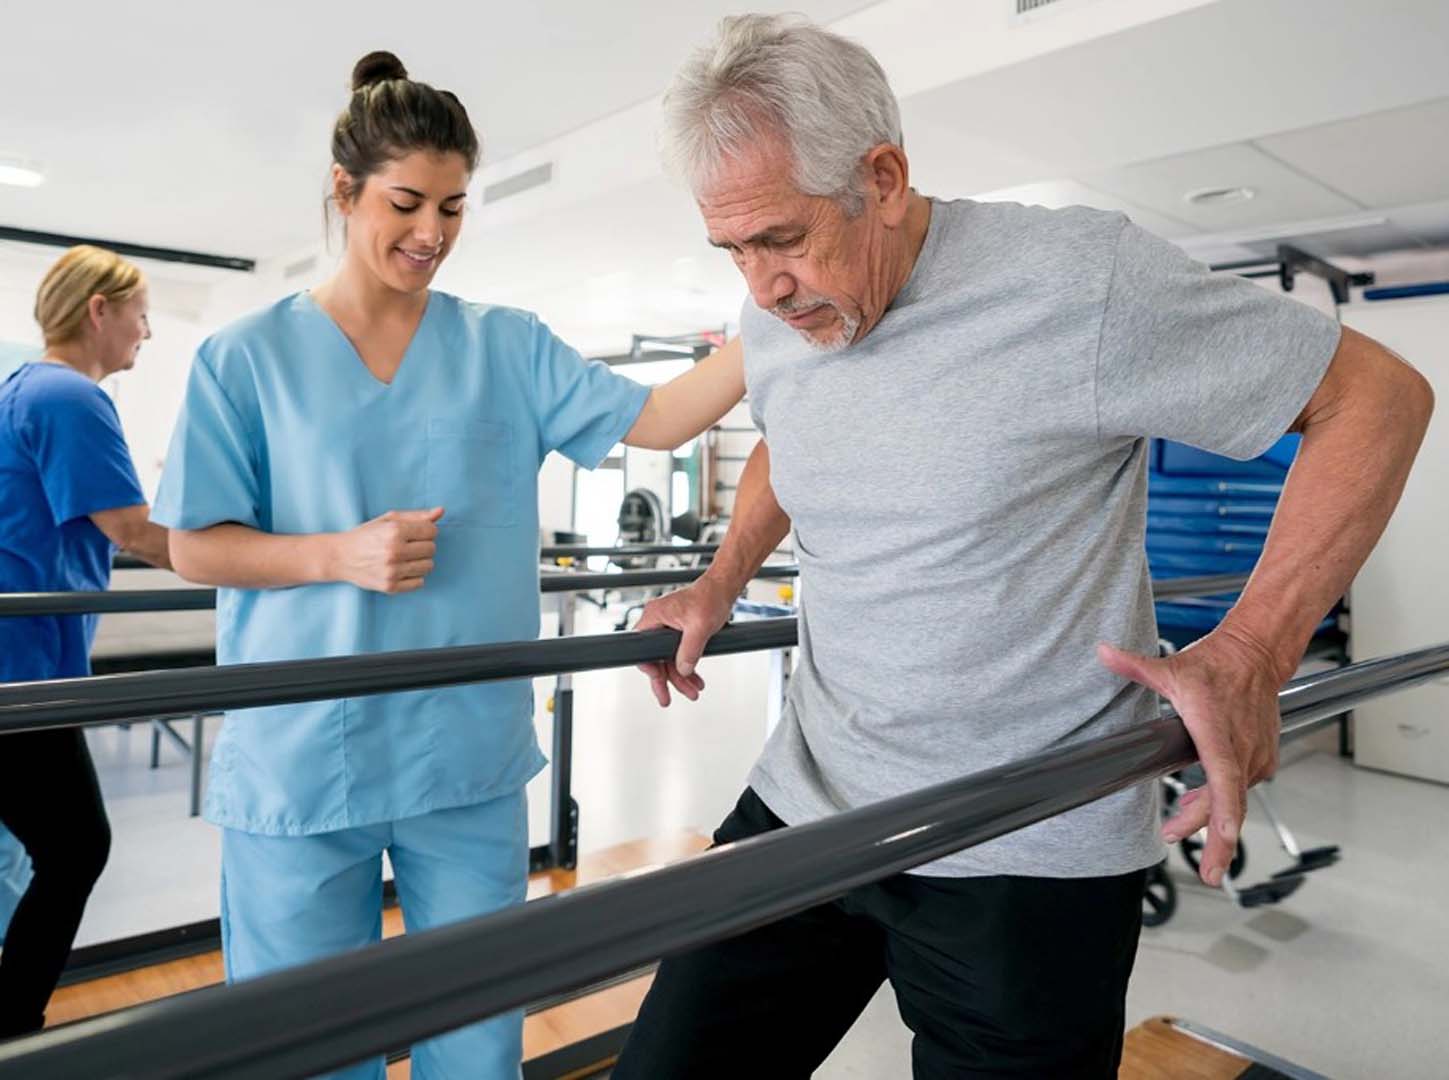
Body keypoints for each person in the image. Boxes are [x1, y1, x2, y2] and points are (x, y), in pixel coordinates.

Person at [614, 15, 1433, 1079]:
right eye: (732, 249)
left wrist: (1254, 652)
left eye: (780, 238)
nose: (762, 285)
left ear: (885, 176)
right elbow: (789, 434)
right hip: (811, 797)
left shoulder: (1076, 281)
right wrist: (716, 583)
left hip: (1026, 838)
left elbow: (1378, 398)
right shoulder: (781, 312)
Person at [151, 51, 745, 1080]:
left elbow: (658, 416)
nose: (432, 233)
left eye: (456, 208)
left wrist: (773, 310)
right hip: (301, 756)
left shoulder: (503, 346)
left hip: (460, 759)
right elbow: (195, 542)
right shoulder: (243, 358)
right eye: (408, 202)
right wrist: (336, 553)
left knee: (477, 1045)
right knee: (304, 1046)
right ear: (344, 192)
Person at [0, 245, 172, 1039]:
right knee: (77, 847)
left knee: (58, 847)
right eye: (139, 311)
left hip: (27, 661)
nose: (146, 330)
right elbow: (134, 532)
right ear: (98, 311)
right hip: (22, 673)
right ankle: (12, 1028)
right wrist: (287, 557)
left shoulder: (24, 389)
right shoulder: (70, 395)